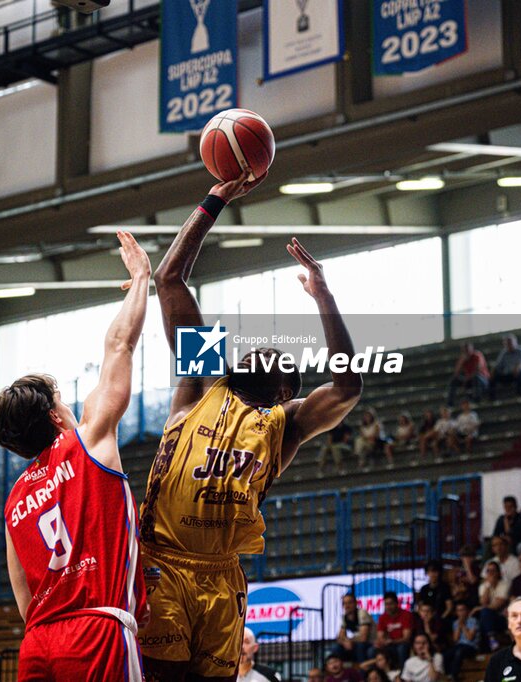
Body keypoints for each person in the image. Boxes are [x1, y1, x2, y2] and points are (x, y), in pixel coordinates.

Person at [138, 173, 363, 680]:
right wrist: (215, 200)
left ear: (286, 390)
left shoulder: (283, 424)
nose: (265, 351)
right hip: (162, 563)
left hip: (222, 578)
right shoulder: (200, 381)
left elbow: (347, 387)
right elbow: (170, 280)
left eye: (280, 358)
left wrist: (323, 295)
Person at [0, 231, 151, 681]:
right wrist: (141, 278)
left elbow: (25, 603)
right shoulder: (88, 440)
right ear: (57, 417)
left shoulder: (13, 499)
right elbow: (120, 346)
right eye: (63, 402)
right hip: (94, 632)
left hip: (38, 644)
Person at [476, 561, 511, 652]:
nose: (490, 573)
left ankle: (486, 644)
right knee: (484, 614)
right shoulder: (483, 586)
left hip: (502, 618)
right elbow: (483, 602)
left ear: (498, 573)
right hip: (487, 618)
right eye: (488, 571)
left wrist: (481, 608)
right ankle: (491, 639)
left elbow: (497, 605)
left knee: (485, 613)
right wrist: (488, 586)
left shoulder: (505, 585)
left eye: (493, 571)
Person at [333, 593, 375, 663]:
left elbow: (363, 638)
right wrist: (345, 642)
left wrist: (349, 641)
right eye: (344, 603)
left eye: (349, 603)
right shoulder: (345, 617)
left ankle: (362, 671)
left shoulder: (362, 613)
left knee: (360, 646)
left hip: (371, 643)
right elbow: (340, 637)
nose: (347, 606)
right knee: (336, 648)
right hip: (356, 642)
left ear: (355, 603)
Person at [376, 591, 414, 666]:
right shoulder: (382, 617)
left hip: (403, 643)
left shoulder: (406, 615)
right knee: (372, 651)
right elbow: (380, 636)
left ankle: (403, 673)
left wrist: (392, 641)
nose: (388, 607)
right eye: (386, 604)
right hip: (389, 644)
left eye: (391, 604)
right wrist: (382, 641)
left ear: (397, 603)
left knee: (401, 648)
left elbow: (406, 638)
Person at [490, 334, 521, 400]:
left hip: (519, 373)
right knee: (493, 375)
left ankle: (519, 394)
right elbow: (498, 365)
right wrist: (493, 370)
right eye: (507, 343)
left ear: (516, 342)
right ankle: (492, 398)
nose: (509, 345)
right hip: (508, 374)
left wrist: (518, 367)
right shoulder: (503, 353)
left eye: (510, 343)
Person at [448, 601, 480, 682]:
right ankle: (447, 674)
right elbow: (455, 639)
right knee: (446, 654)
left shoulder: (473, 621)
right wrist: (459, 626)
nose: (460, 612)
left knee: (459, 652)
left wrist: (463, 625)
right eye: (458, 610)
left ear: (467, 611)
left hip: (471, 647)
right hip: (459, 645)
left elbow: (470, 638)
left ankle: (454, 675)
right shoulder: (455, 623)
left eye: (462, 610)